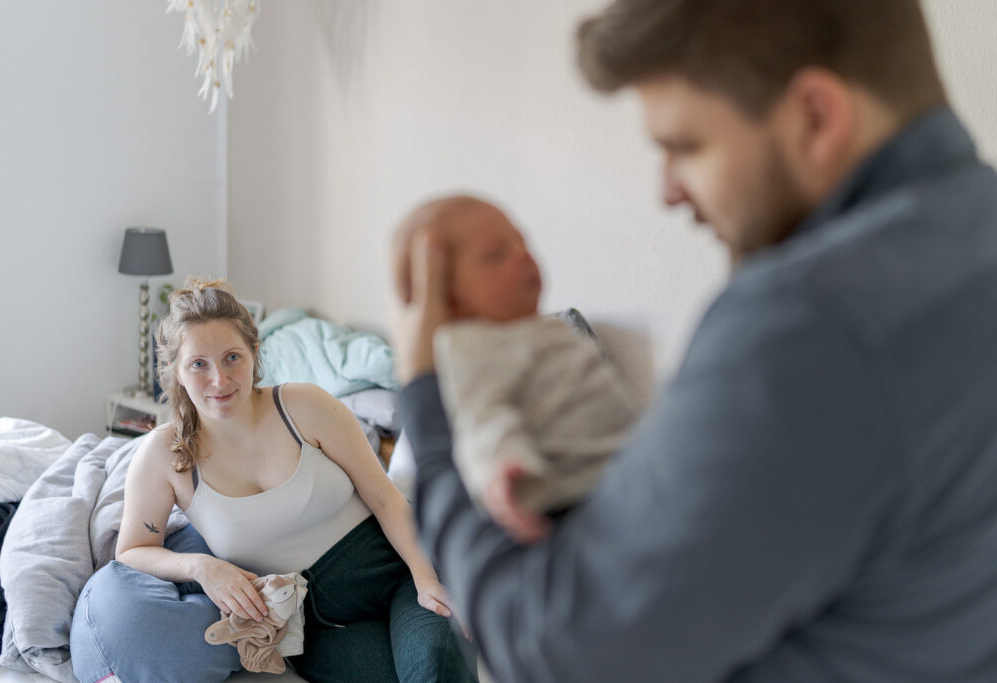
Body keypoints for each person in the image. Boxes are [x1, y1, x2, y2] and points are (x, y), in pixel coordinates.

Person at [391, 1, 997, 681]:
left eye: (684, 146)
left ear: (816, 116)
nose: (669, 192)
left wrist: (425, 396)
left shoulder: (804, 325)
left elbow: (559, 648)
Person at [70, 279, 477, 683]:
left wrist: (426, 579)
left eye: (232, 357)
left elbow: (386, 497)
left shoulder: (305, 406)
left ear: (254, 353)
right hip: (317, 626)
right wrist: (202, 567)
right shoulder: (162, 455)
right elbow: (133, 551)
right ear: (175, 373)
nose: (220, 380)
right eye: (199, 364)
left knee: (433, 673)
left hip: (399, 574)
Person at [394, 195, 641, 539]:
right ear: (449, 299)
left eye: (522, 242)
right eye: (496, 255)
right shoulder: (473, 348)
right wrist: (508, 472)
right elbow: (482, 417)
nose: (524, 256)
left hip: (620, 466)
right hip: (565, 493)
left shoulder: (543, 329)